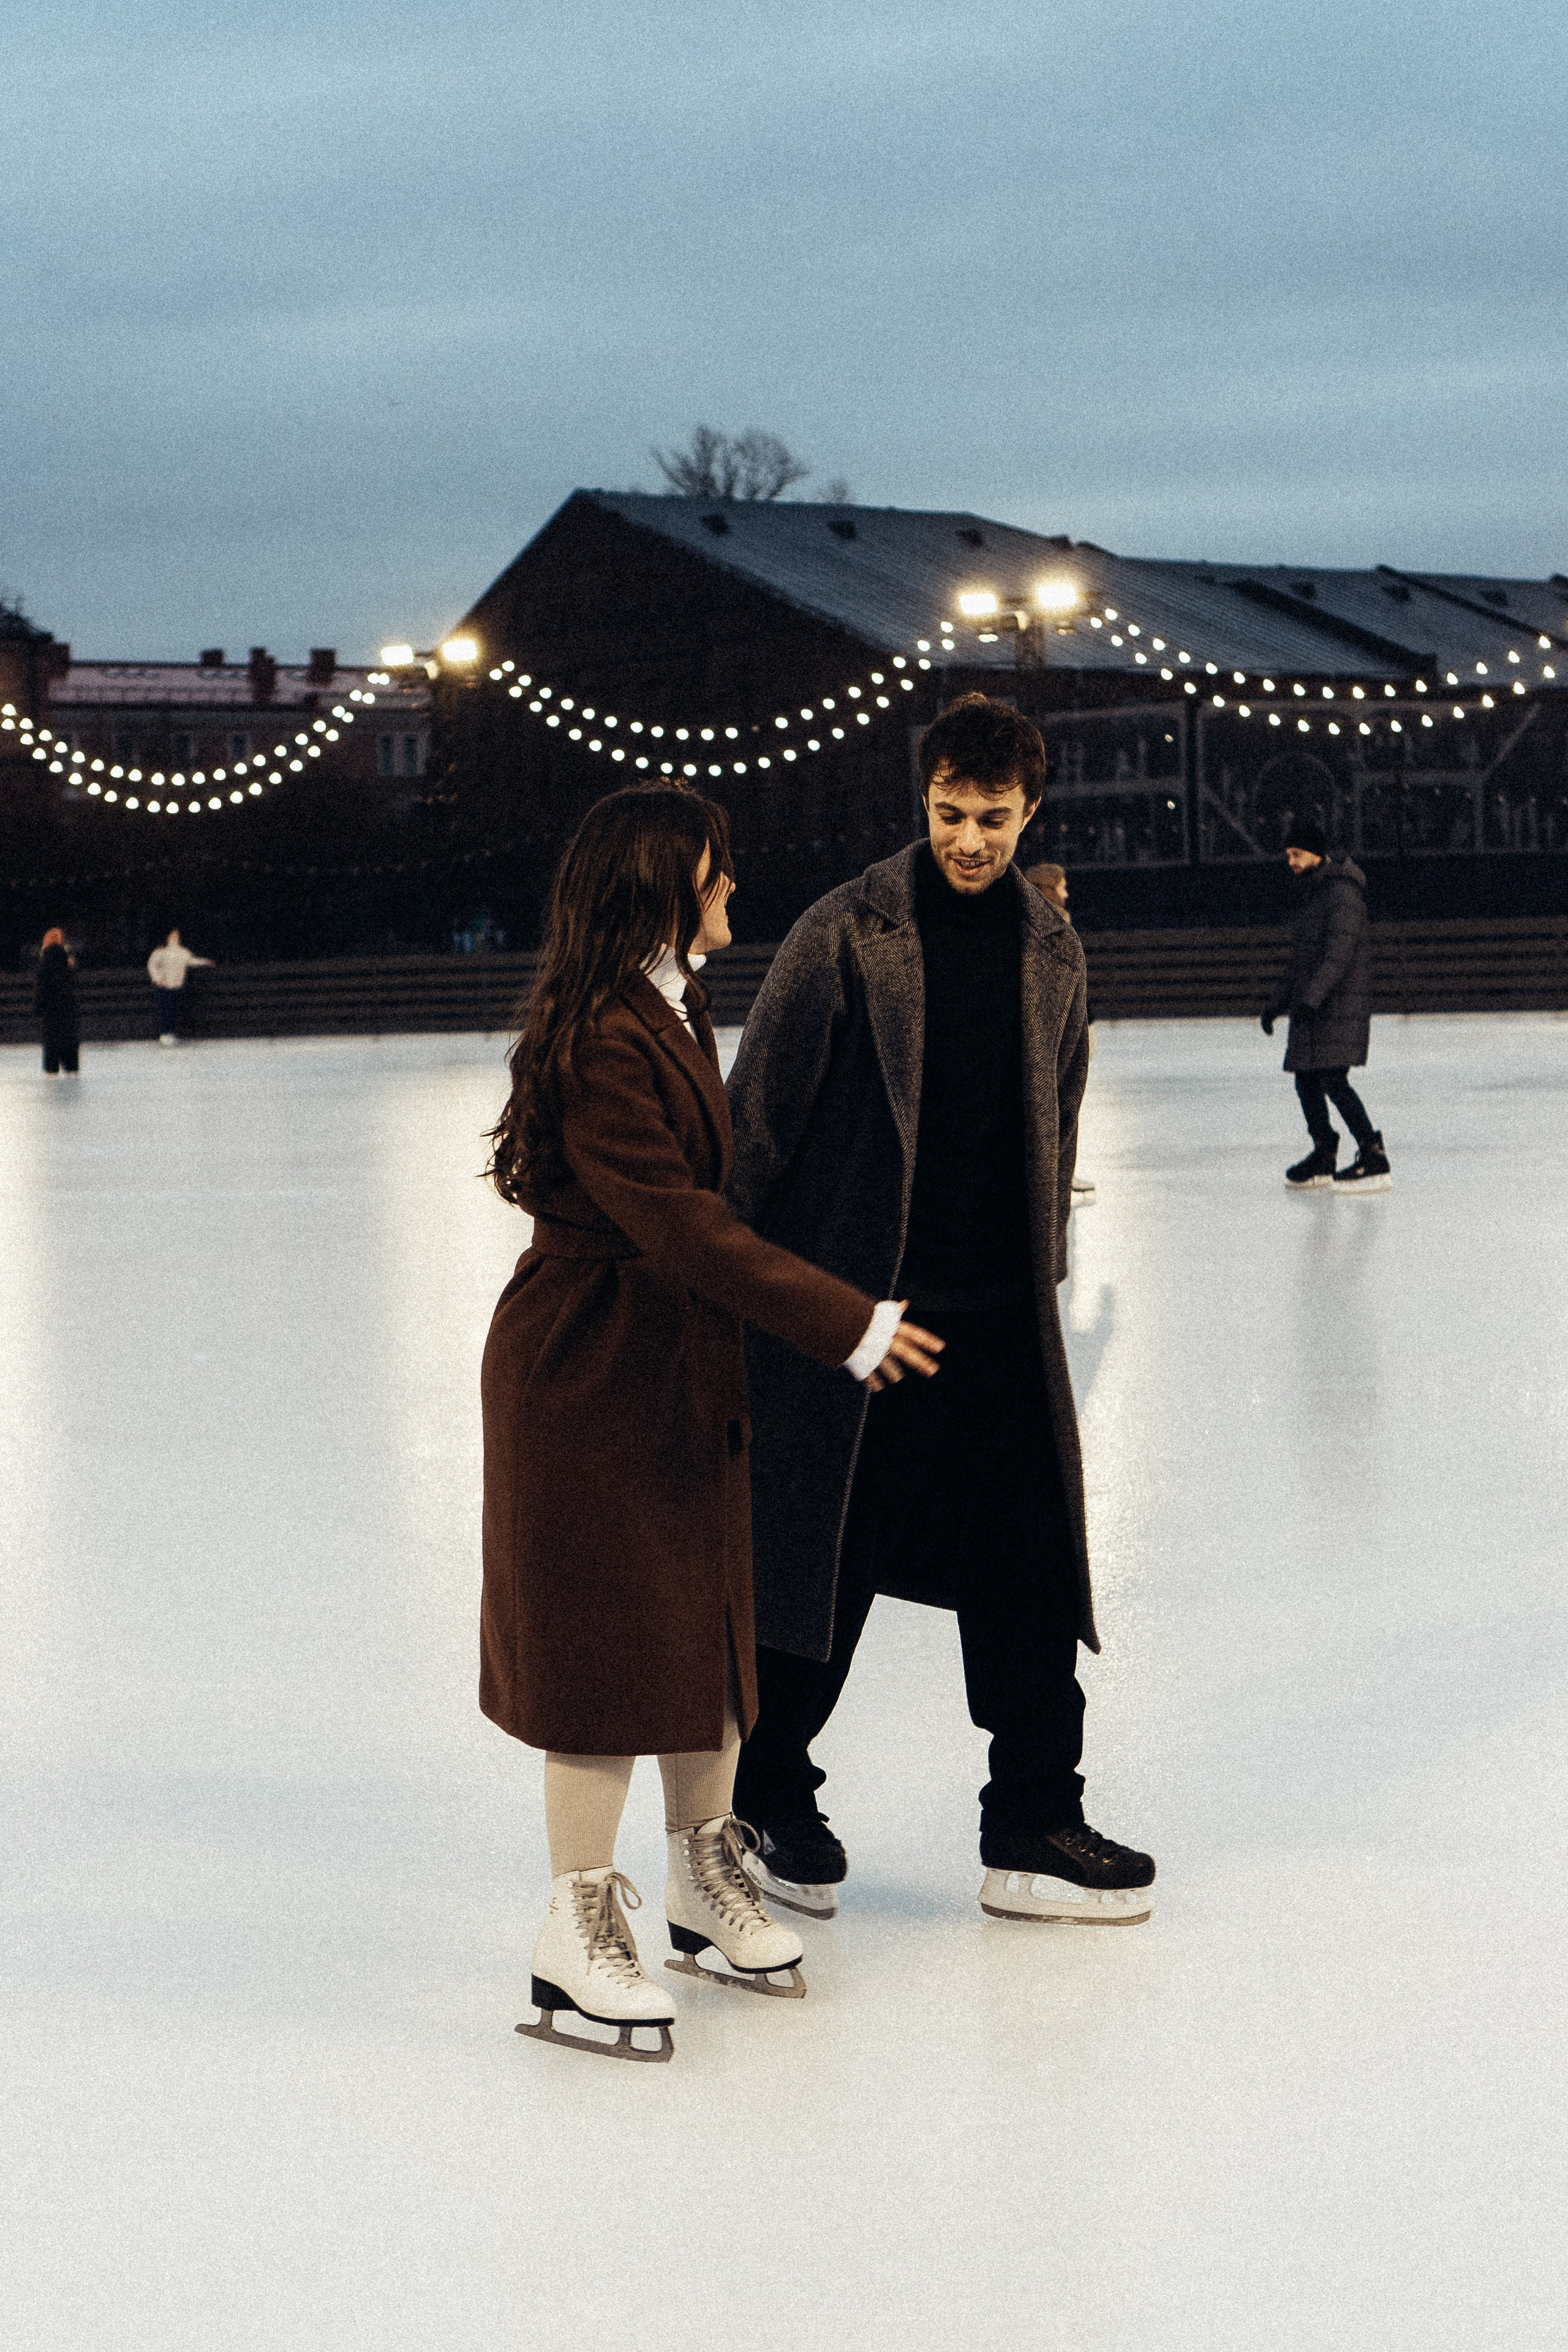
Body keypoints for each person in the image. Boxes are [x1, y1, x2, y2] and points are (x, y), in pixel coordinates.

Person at [481, 784, 941, 2062]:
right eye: (714, 874)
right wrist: (843, 1321)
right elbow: (681, 1221)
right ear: (657, 889)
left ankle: (699, 1873)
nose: (733, 891)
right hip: (588, 1370)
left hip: (674, 1359)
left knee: (707, 1625)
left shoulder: (669, 1000)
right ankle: (574, 1930)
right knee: (604, 1655)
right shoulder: (599, 1039)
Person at [726, 693, 1155, 1929]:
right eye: (948, 813)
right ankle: (766, 1798)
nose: (969, 838)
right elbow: (759, 1115)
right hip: (863, 1321)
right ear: (922, 802)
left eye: (993, 817)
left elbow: (1057, 1116)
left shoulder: (1050, 946)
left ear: (1031, 810)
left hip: (997, 1319)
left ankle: (1031, 1816)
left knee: (1026, 1571)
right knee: (827, 1562)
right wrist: (732, 1286)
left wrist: (1044, 1267)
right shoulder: (844, 932)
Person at [1261, 820, 1391, 1191]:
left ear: (1317, 854)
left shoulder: (1342, 895)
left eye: (1296, 855)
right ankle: (1324, 1150)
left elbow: (1338, 956)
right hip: (1315, 1007)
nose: (1291, 862)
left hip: (1336, 1007)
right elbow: (1300, 962)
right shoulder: (1314, 896)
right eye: (1288, 855)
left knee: (1334, 1079)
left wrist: (1311, 1000)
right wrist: (1276, 1005)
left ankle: (1373, 1154)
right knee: (1306, 1079)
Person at [1023, 861, 1095, 1204]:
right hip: (1049, 1031)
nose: (1067, 893)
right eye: (1062, 886)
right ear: (1047, 890)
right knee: (1054, 1102)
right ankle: (1053, 1174)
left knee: (1065, 1098)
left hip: (1066, 1024)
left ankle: (1060, 1170)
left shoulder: (1055, 925)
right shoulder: (1040, 927)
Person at [146, 929, 214, 1045]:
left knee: (173, 1010)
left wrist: (205, 962)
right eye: (173, 935)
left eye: (177, 935)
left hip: (176, 984)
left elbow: (191, 961)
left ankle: (170, 1033)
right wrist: (157, 979)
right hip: (164, 984)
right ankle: (164, 1033)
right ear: (168, 937)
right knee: (164, 1010)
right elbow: (152, 965)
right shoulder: (161, 951)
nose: (175, 937)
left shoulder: (183, 952)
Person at [34, 928, 80, 1077]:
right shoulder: (68, 960)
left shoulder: (45, 960)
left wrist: (38, 1007)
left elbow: (42, 986)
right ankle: (71, 1067)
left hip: (51, 1007)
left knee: (52, 1039)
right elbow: (74, 983)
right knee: (69, 1037)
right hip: (67, 1006)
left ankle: (52, 1068)